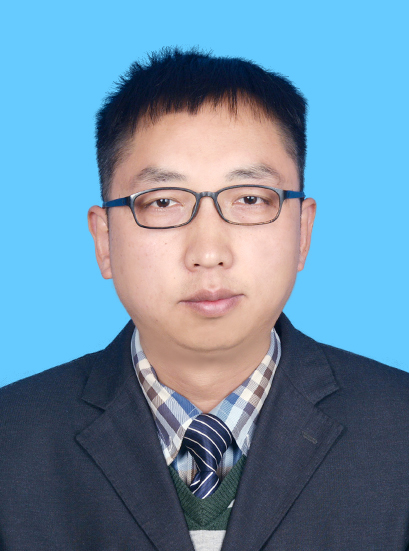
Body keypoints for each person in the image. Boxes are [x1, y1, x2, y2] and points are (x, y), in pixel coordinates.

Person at [0, 48, 408, 551]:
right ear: (104, 241)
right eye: (164, 202)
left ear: (303, 233)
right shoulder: (10, 440)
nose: (209, 253)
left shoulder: (400, 431)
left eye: (250, 199)